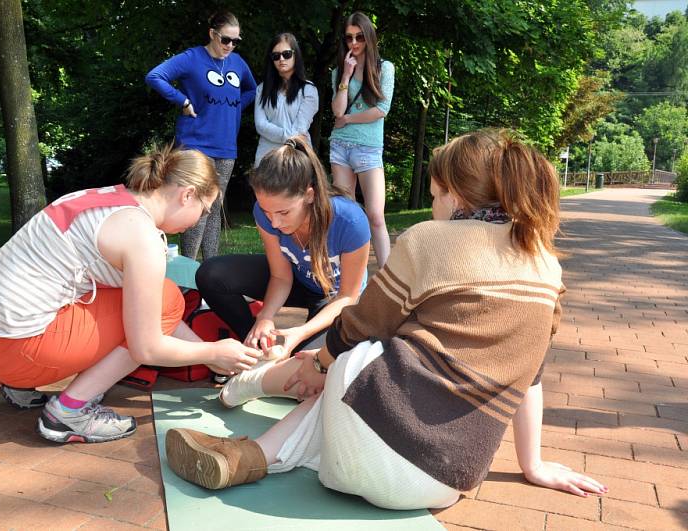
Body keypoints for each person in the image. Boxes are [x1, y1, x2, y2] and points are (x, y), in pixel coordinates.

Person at [165, 129, 609, 508]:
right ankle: (254, 450)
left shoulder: (431, 238)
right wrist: (532, 465)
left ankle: (248, 408)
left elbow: (359, 324)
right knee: (365, 371)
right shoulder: (547, 266)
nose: (434, 206)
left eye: (434, 195)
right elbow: (530, 375)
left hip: (361, 450)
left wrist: (317, 362)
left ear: (454, 197)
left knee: (355, 355)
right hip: (443, 483)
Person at [0, 144, 262, 444]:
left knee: (159, 301)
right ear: (187, 195)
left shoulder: (108, 199)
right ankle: (68, 412)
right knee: (168, 298)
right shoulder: (142, 237)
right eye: (204, 211)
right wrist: (213, 352)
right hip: (17, 352)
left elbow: (154, 316)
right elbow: (146, 346)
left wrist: (209, 359)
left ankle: (17, 382)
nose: (198, 221)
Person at [195, 136, 370, 407]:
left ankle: (272, 364)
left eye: (284, 212)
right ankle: (253, 351)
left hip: (334, 298)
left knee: (309, 366)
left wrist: (299, 333)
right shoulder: (267, 214)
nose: (274, 222)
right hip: (296, 280)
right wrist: (264, 319)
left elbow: (348, 297)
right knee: (212, 274)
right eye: (267, 211)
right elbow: (280, 275)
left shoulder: (350, 220)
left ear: (309, 195)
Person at [145, 11, 257, 260]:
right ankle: (188, 273)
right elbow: (155, 76)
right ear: (212, 34)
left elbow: (251, 89)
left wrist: (237, 106)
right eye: (226, 39)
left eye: (236, 41)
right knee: (194, 207)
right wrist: (182, 100)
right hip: (195, 146)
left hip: (226, 147)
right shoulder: (192, 58)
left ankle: (211, 272)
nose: (230, 46)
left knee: (214, 207)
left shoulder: (237, 63)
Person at [329, 11, 394, 268]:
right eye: (349, 38)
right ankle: (354, 274)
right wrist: (345, 75)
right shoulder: (339, 71)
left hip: (368, 148)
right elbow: (337, 110)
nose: (354, 43)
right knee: (347, 215)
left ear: (369, 37)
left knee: (376, 216)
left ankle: (387, 276)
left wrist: (349, 119)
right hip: (340, 147)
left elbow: (382, 110)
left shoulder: (384, 68)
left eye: (359, 37)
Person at [254, 33, 319, 167]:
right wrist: (287, 136)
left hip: (297, 157)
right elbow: (260, 125)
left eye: (287, 54)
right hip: (266, 158)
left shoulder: (308, 90)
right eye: (276, 56)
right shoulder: (261, 89)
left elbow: (300, 128)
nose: (281, 59)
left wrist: (287, 138)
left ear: (296, 55)